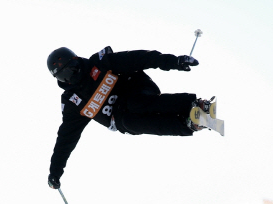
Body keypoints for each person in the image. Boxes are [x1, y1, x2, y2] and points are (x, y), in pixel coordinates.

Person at [45, 46, 213, 190]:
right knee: (128, 123)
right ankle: (189, 123)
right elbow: (66, 138)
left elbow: (138, 58)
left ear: (77, 61)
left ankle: (194, 105)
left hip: (135, 89)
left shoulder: (100, 63)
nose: (71, 76)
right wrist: (55, 172)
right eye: (64, 76)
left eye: (72, 68)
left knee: (135, 104)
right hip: (120, 115)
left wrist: (173, 62)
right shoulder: (73, 101)